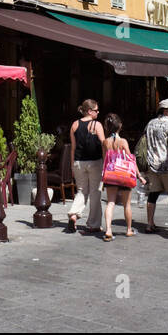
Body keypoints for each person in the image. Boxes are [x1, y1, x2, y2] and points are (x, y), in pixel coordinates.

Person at [102, 114, 144, 240]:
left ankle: (108, 229)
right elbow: (131, 160)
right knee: (127, 204)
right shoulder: (123, 141)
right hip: (124, 175)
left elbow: (105, 160)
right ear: (120, 126)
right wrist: (139, 175)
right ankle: (129, 229)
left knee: (110, 202)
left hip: (110, 175)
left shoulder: (105, 142)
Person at [142, 99, 168, 235]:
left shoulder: (150, 123)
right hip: (166, 165)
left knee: (152, 195)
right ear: (165, 111)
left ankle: (149, 223)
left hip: (152, 164)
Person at [66, 100, 104, 234]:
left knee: (81, 190)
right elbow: (103, 144)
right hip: (95, 162)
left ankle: (74, 215)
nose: (98, 112)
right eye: (96, 110)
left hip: (78, 162)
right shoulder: (97, 125)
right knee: (95, 192)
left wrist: (72, 165)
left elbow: (73, 148)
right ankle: (93, 224)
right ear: (89, 111)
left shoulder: (75, 125)